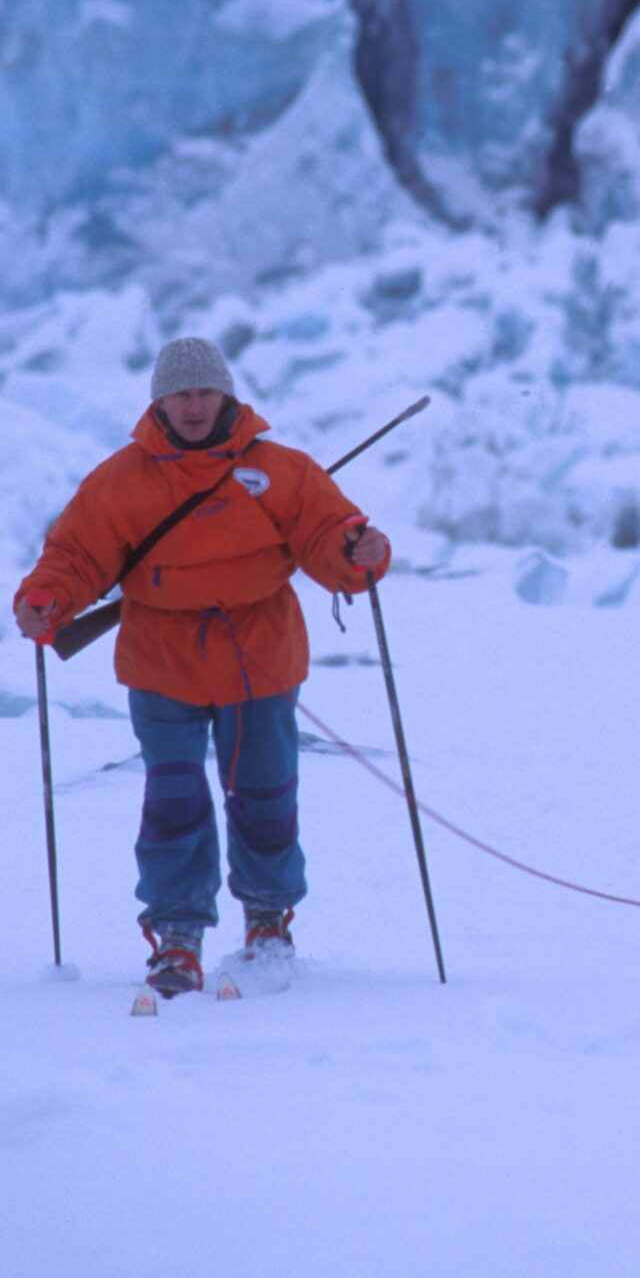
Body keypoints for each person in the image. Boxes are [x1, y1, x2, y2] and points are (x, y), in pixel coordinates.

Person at [13, 337, 391, 997]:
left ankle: (268, 922)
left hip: (261, 658)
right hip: (162, 662)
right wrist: (46, 599)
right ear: (159, 401)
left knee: (266, 795)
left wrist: (362, 551)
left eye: (203, 392)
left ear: (226, 396)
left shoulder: (282, 471)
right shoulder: (120, 481)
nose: (192, 405)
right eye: (179, 393)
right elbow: (75, 555)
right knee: (174, 802)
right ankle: (177, 937)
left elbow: (331, 537)